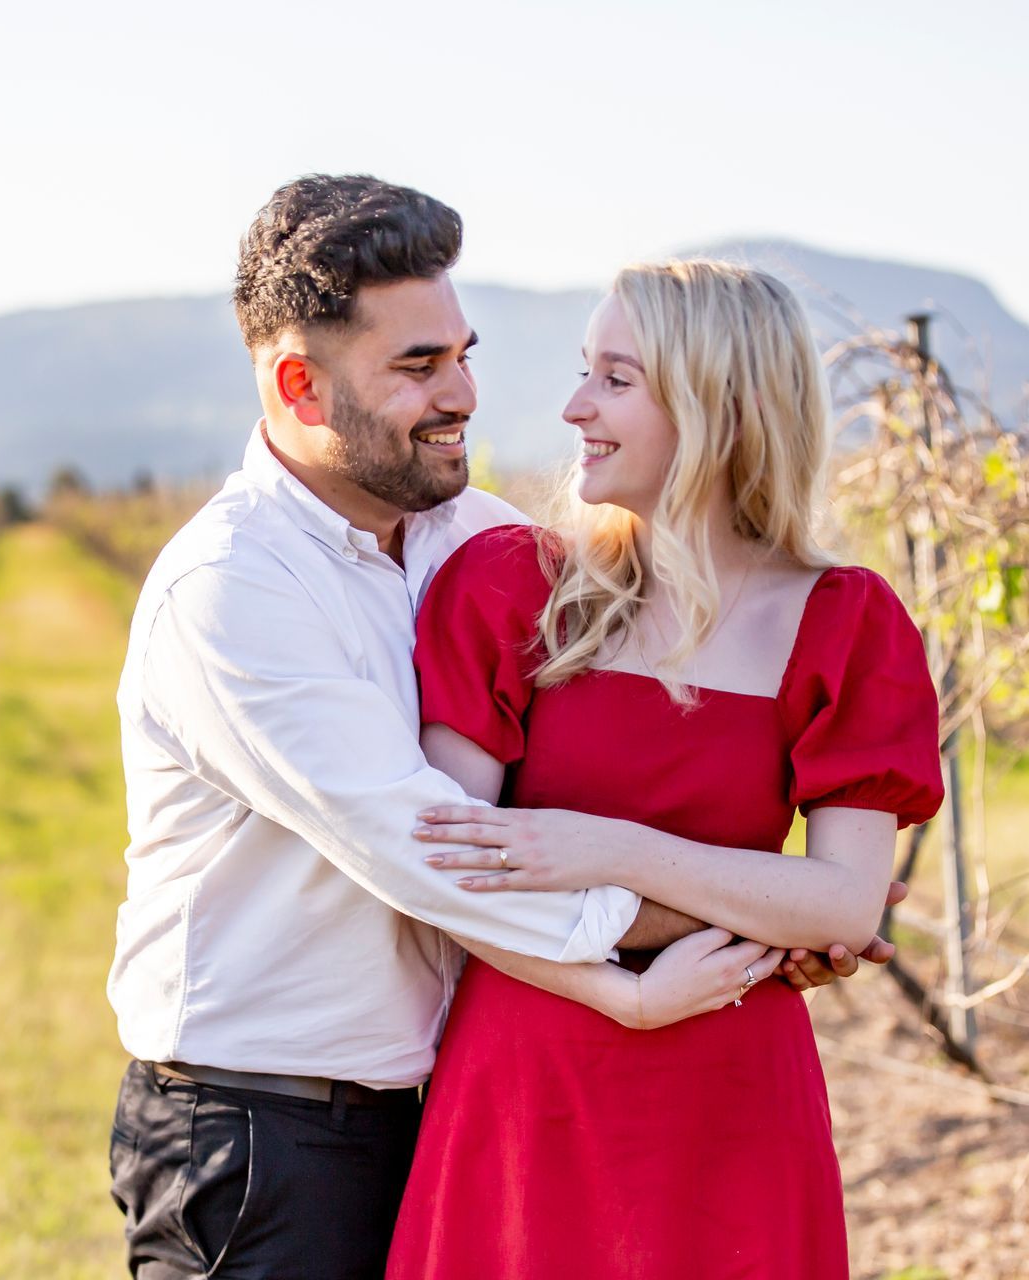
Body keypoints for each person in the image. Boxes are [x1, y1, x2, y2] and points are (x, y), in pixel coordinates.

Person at [106, 176, 896, 1280]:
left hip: (435, 1102)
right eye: (419, 367)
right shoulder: (232, 588)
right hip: (261, 1129)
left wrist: (800, 907)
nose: (467, 392)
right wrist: (758, 920)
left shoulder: (480, 542)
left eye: (463, 351)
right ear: (301, 385)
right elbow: (436, 849)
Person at [383, 260, 945, 1279]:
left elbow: (846, 906)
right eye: (583, 371)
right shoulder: (514, 587)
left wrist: (608, 849)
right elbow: (445, 872)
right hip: (527, 1088)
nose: (574, 406)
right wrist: (724, 933)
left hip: (731, 1101)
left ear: (720, 405)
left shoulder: (846, 622)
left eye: (616, 378)